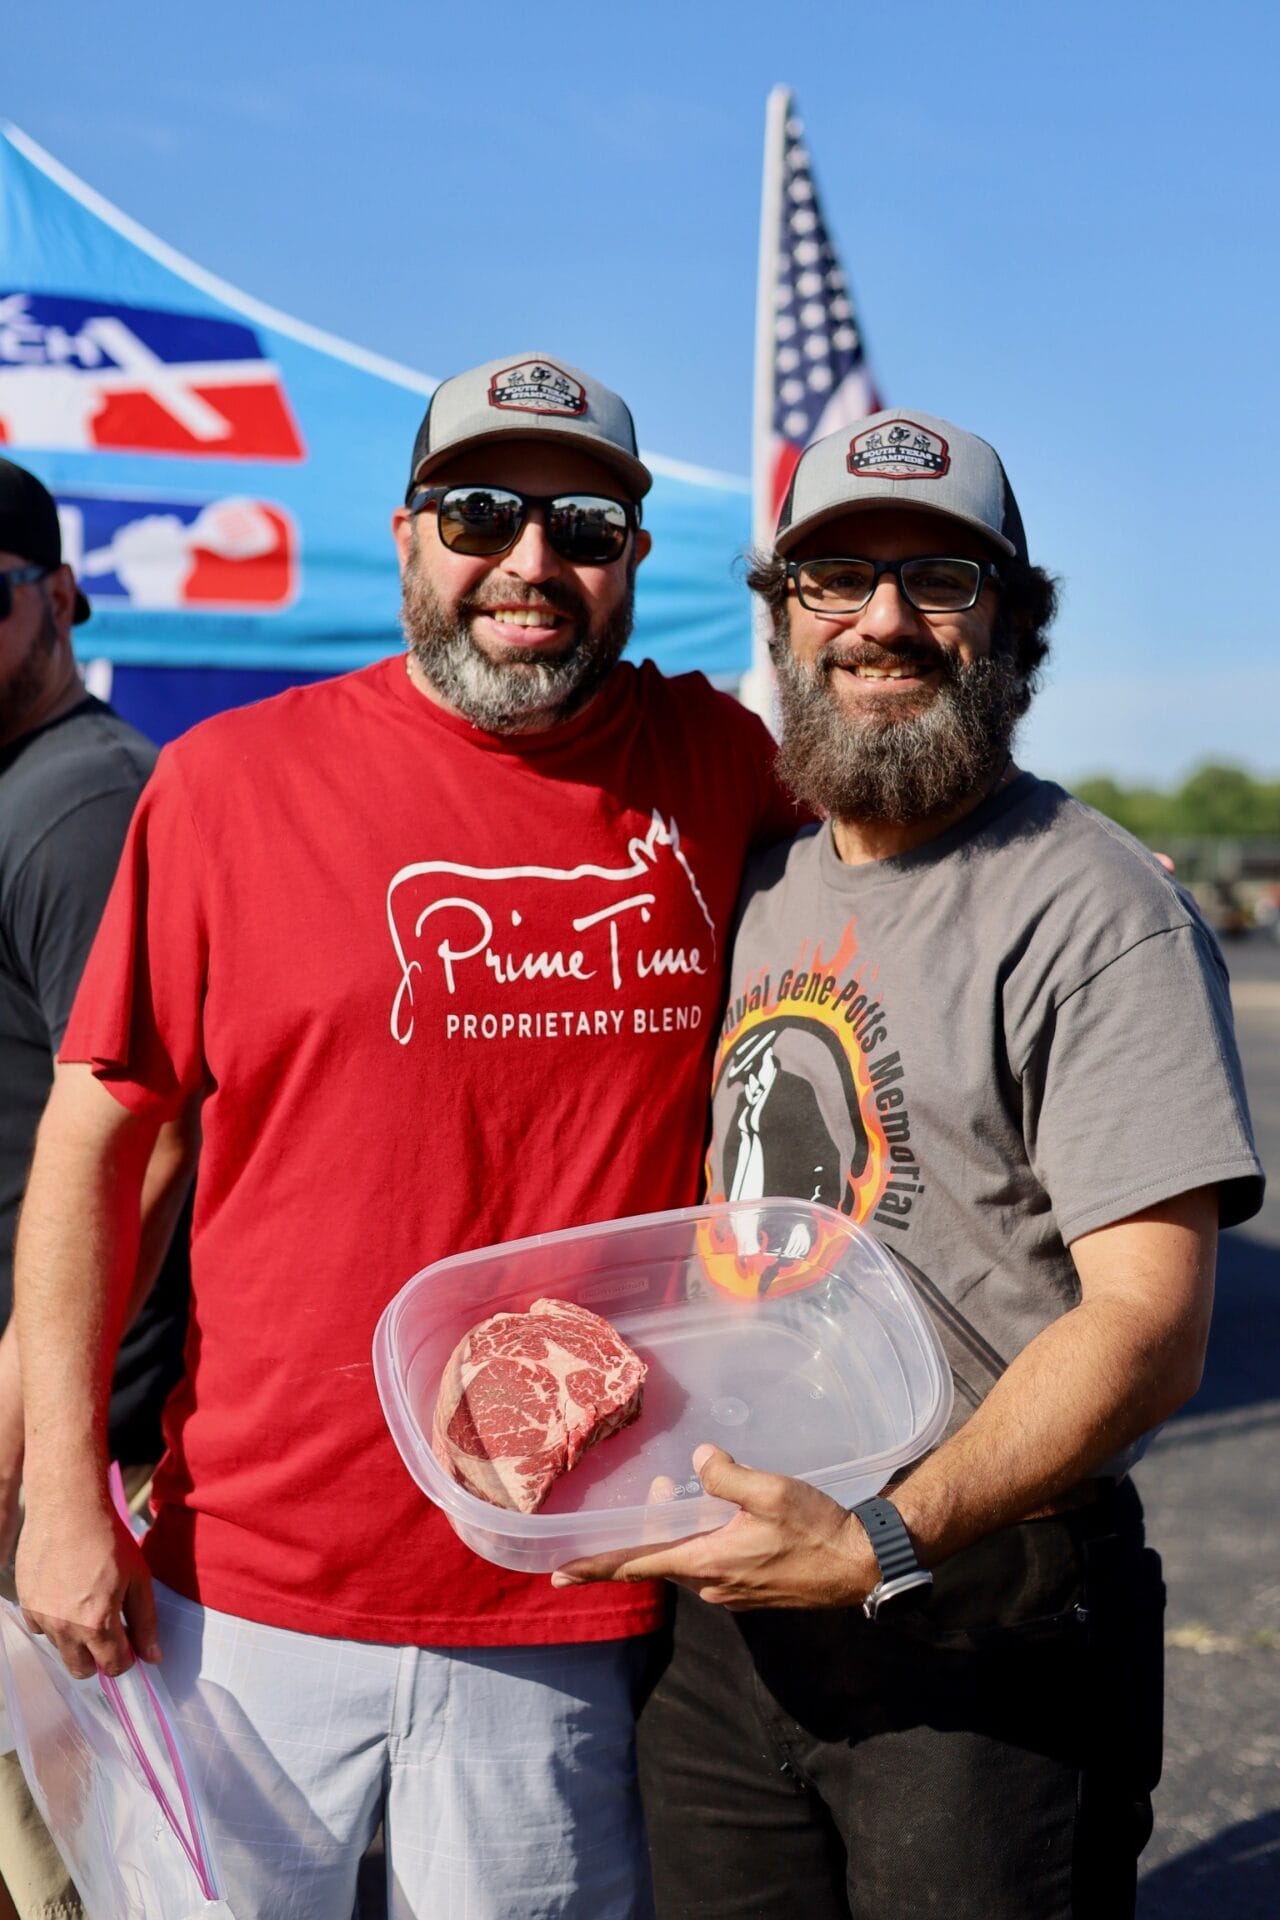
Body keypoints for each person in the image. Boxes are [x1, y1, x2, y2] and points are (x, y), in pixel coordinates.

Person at [13, 356, 798, 1920]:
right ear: (406, 534)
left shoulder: (721, 772)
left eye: (583, 524)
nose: (530, 560)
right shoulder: (229, 788)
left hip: (565, 1591)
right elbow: (98, 1148)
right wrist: (54, 1498)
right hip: (252, 1591)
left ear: (637, 560)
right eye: (480, 512)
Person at [555, 409, 1264, 1919]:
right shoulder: (750, 880)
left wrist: (881, 1536)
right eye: (834, 579)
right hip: (731, 1615)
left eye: (937, 576)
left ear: (1008, 617)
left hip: (979, 1616)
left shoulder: (1091, 909)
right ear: (784, 616)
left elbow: (1150, 1322)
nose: (883, 620)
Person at [0, 458, 191, 1920]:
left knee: (92, 1872)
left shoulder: (84, 801)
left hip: (71, 1440)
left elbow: (151, 1138)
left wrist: (48, 1439)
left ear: (57, 597)